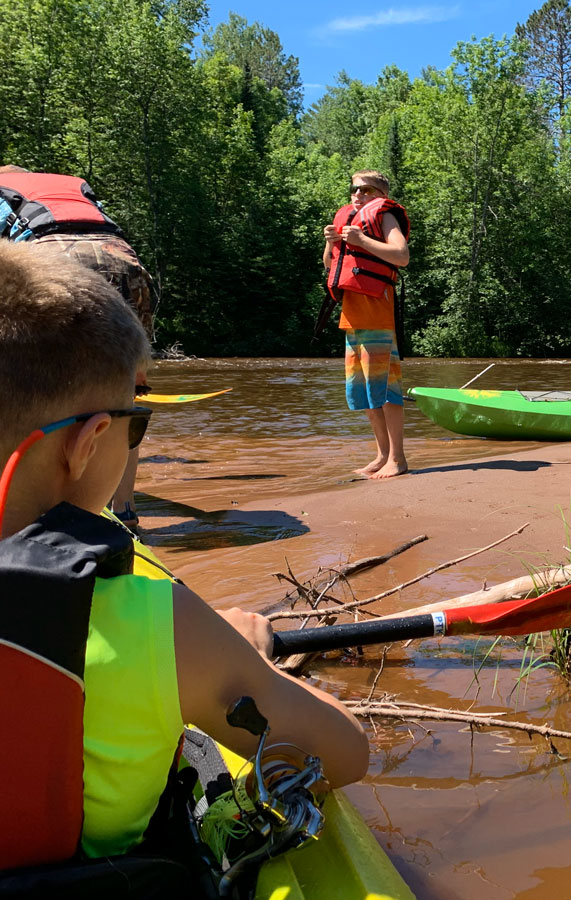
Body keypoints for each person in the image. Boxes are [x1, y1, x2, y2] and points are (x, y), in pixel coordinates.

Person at [0, 241, 368, 877]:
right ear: (88, 444)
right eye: (133, 425)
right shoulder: (158, 625)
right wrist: (244, 658)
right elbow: (343, 755)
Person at [0, 164, 155, 532]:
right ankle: (124, 511)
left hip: (53, 256)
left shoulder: (3, 190)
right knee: (126, 395)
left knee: (30, 391)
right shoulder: (68, 185)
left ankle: (32, 514)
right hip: (125, 259)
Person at [322, 170, 411, 479]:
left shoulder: (384, 217)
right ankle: (382, 455)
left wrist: (359, 239)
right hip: (352, 318)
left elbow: (401, 255)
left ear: (380, 194)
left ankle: (398, 458)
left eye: (366, 190)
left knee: (385, 390)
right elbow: (331, 264)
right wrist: (332, 242)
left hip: (377, 315)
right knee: (364, 393)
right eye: (354, 189)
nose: (357, 195)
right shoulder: (349, 220)